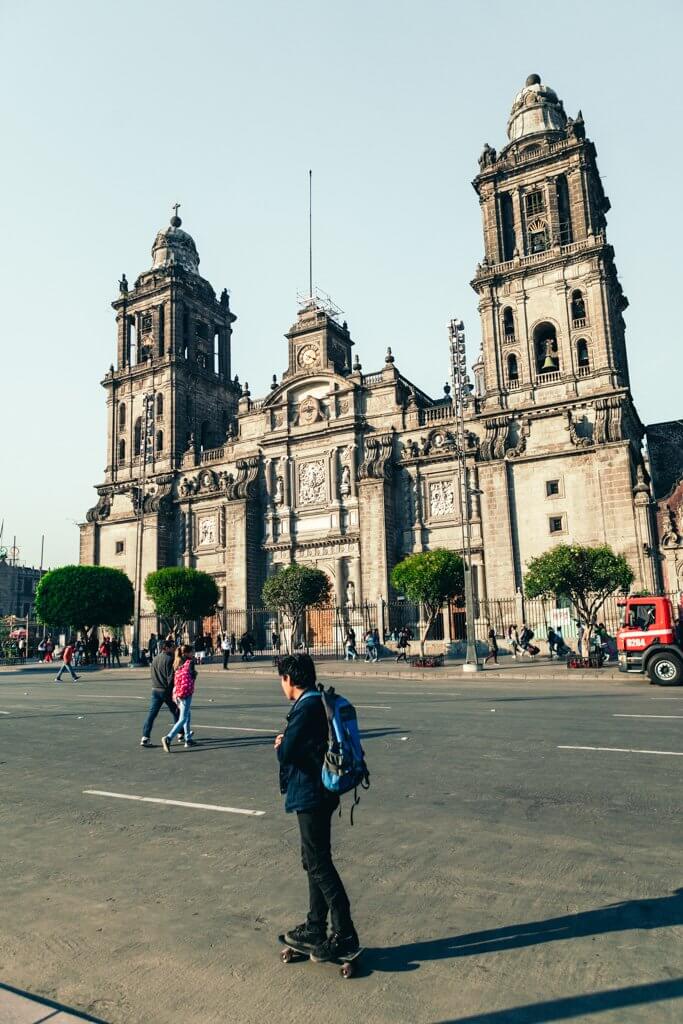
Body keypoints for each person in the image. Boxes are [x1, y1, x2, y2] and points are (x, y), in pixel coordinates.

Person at [274, 653, 359, 961]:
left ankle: (344, 932)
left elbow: (287, 753)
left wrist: (281, 744)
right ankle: (314, 926)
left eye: (281, 680)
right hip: (322, 792)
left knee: (319, 863)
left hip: (311, 794)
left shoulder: (306, 707)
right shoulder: (318, 701)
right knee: (313, 860)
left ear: (288, 679)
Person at [141, 639, 180, 746]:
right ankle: (180, 733)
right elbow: (171, 677)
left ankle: (145, 736)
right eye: (172, 647)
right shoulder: (170, 659)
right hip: (165, 690)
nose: (174, 648)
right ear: (166, 648)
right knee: (177, 711)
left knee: (152, 715)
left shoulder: (155, 659)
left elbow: (153, 674)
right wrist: (173, 691)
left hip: (155, 689)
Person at [162, 646, 197, 751]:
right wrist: (194, 674)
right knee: (183, 718)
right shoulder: (189, 662)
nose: (193, 653)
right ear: (186, 653)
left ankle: (188, 738)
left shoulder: (177, 662)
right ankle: (168, 738)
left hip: (178, 692)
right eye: (192, 652)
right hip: (186, 693)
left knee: (187, 715)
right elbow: (191, 676)